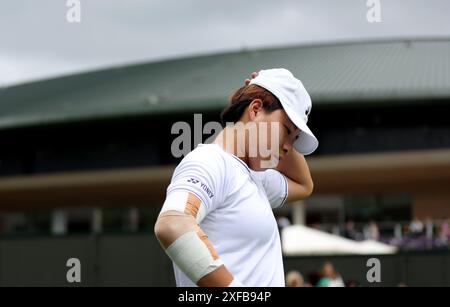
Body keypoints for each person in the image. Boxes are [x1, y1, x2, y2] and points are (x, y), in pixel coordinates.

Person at [154, 68, 318, 287]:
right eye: (286, 131)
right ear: (256, 109)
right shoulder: (210, 161)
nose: (289, 147)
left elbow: (304, 185)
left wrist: (284, 132)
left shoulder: (256, 178)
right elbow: (172, 224)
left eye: (295, 138)